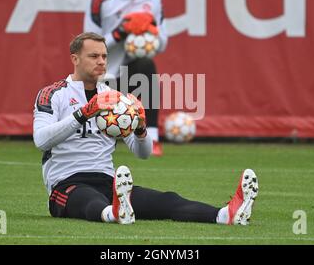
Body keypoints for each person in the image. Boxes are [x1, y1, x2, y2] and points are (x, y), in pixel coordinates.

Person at [33, 32, 259, 225]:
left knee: (168, 201)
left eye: (104, 56)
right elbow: (41, 140)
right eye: (93, 56)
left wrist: (140, 128)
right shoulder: (53, 93)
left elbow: (143, 153)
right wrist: (84, 113)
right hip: (66, 183)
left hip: (108, 181)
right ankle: (113, 213)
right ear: (75, 59)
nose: (101, 61)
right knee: (89, 201)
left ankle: (225, 215)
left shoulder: (116, 98)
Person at [83, 0, 167, 156]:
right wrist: (121, 32)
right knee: (94, 137)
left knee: (146, 63)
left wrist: (150, 33)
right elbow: (87, 46)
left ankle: (153, 138)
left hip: (130, 74)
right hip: (102, 76)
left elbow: (163, 43)